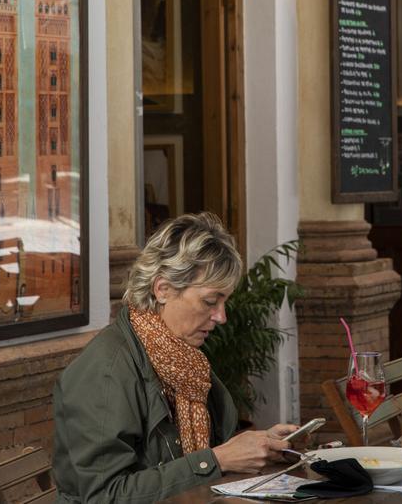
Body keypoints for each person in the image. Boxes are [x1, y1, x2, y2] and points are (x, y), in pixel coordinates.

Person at [52, 213, 299, 502]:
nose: (221, 317)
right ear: (163, 289)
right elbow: (103, 496)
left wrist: (256, 448)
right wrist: (216, 460)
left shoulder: (183, 362)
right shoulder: (106, 373)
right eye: (210, 301)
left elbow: (196, 458)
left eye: (224, 302)